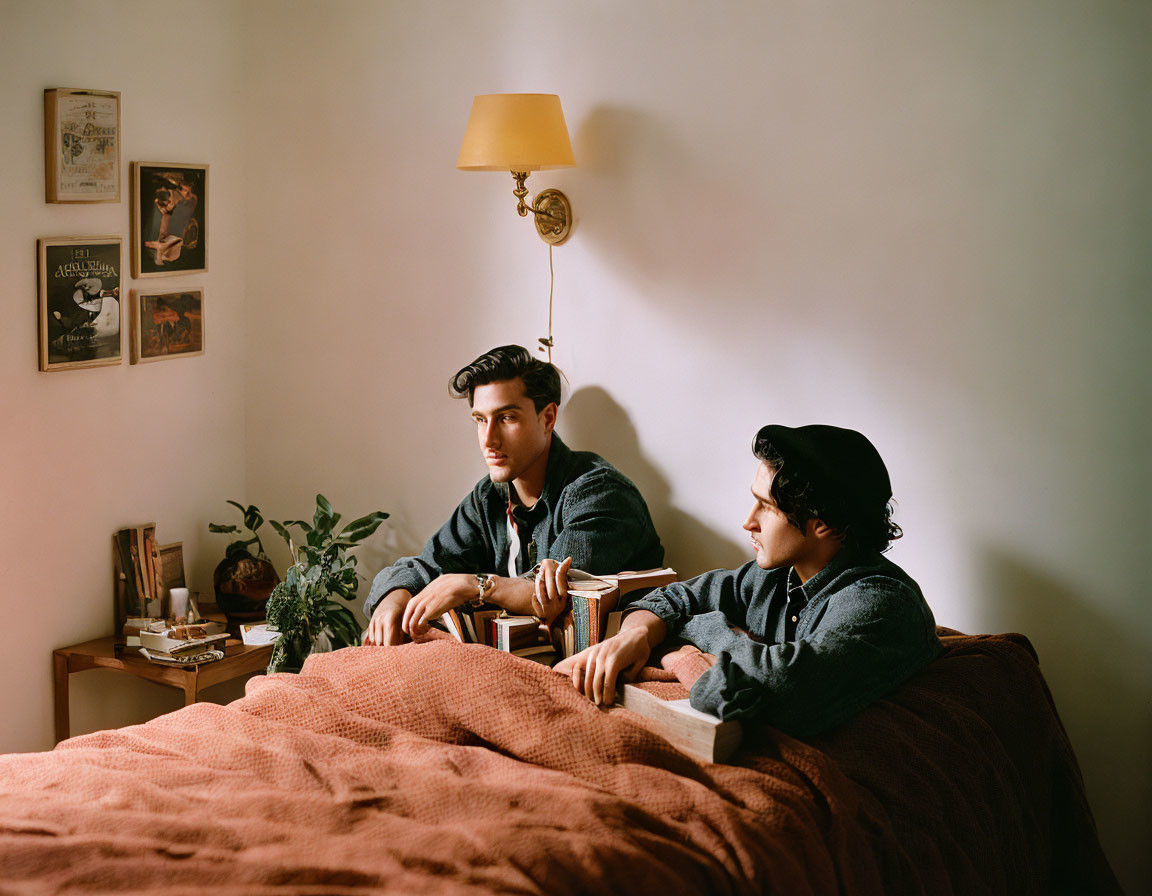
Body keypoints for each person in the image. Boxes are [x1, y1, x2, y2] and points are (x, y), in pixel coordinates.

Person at [554, 424, 943, 737]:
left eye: (768, 507)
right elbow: (674, 597)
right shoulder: (779, 575)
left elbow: (782, 686)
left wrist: (700, 631)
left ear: (823, 524)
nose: (748, 521)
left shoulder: (880, 603)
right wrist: (632, 637)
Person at [363, 344, 665, 647]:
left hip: (603, 661)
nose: (488, 439)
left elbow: (551, 593)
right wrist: (392, 600)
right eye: (480, 419)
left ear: (547, 419)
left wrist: (475, 585)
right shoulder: (489, 497)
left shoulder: (599, 492)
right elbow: (427, 565)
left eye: (506, 418)